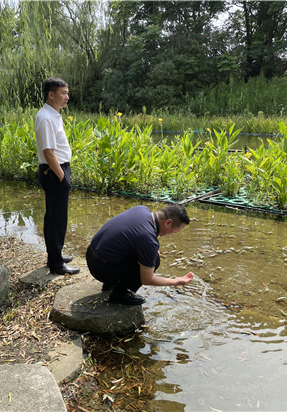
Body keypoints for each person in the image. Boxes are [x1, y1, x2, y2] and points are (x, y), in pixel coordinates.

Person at [86, 204, 194, 305]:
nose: (172, 235)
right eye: (175, 231)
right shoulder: (149, 240)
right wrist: (176, 281)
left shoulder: (142, 209)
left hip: (92, 255)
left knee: (147, 254)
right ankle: (120, 294)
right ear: (168, 222)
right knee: (154, 260)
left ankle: (110, 284)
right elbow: (147, 279)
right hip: (101, 270)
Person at [35, 77, 80, 275]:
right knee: (56, 219)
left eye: (67, 93)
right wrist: (62, 177)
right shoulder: (45, 117)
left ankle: (56, 255)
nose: (67, 97)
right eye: (63, 93)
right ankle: (56, 264)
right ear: (51, 94)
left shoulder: (53, 114)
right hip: (54, 172)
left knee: (55, 216)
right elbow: (48, 152)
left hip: (57, 171)